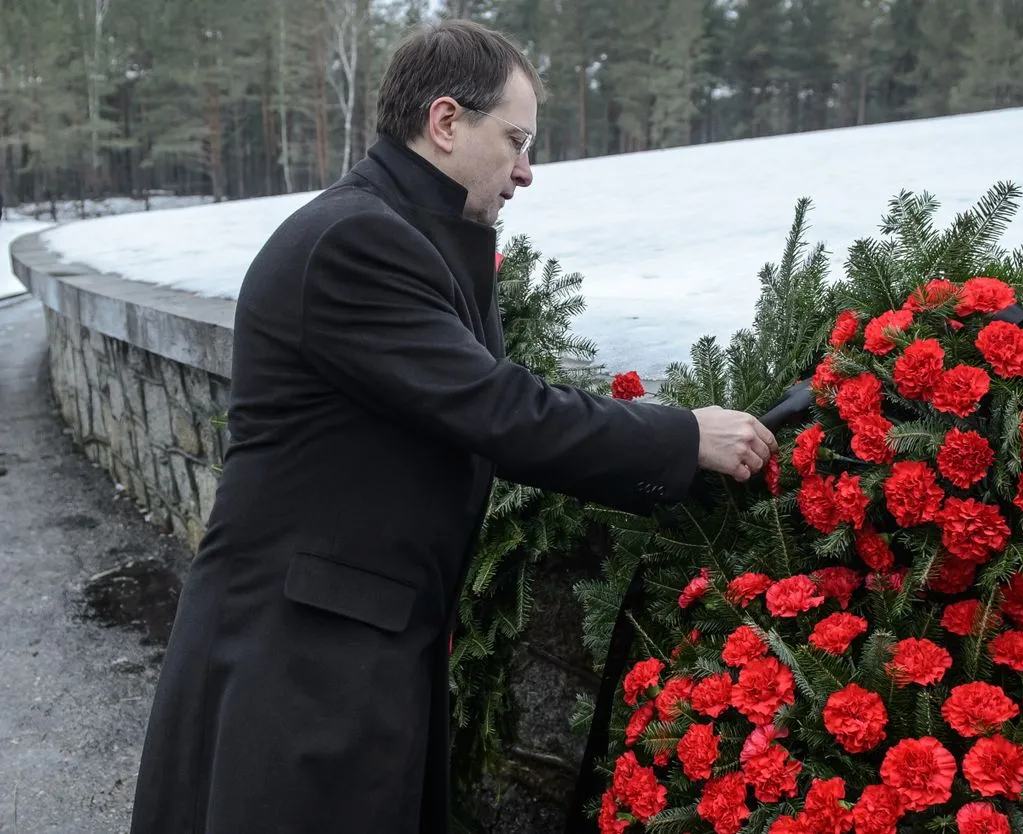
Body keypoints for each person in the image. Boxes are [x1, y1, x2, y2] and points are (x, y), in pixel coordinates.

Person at [128, 19, 775, 834]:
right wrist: (683, 437)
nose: (527, 171)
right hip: (298, 662)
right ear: (444, 122)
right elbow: (500, 408)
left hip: (343, 644)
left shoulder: (403, 231)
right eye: (516, 140)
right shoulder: (355, 242)